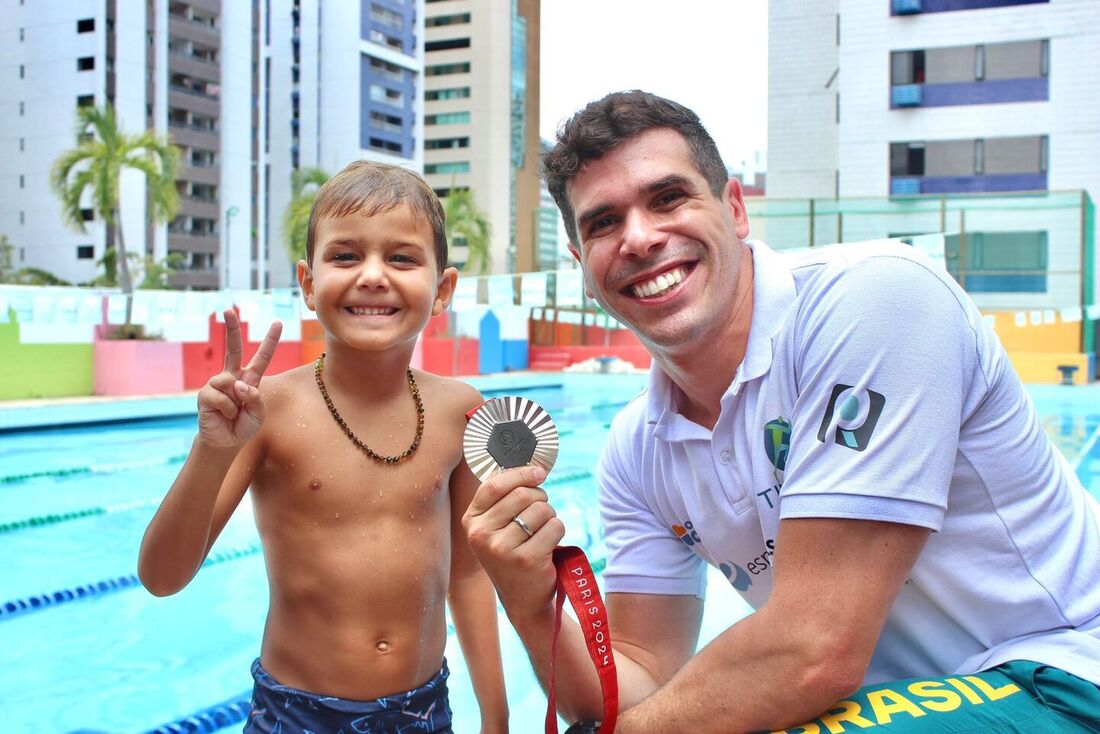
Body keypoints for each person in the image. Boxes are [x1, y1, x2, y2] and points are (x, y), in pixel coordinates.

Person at [462, 91, 1100, 733]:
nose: (639, 238)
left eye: (668, 198)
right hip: (886, 708)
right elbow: (634, 685)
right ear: (580, 265)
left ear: (735, 209)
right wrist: (530, 601)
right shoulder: (637, 451)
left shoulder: (874, 301)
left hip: (1059, 673)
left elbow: (813, 649)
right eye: (603, 223)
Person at [139, 161, 508, 733]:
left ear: (443, 289)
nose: (373, 276)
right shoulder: (268, 411)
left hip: (422, 712)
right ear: (309, 284)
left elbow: (468, 574)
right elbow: (162, 577)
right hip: (296, 714)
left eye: (402, 258)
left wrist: (497, 715)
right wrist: (211, 451)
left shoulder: (460, 410)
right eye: (345, 256)